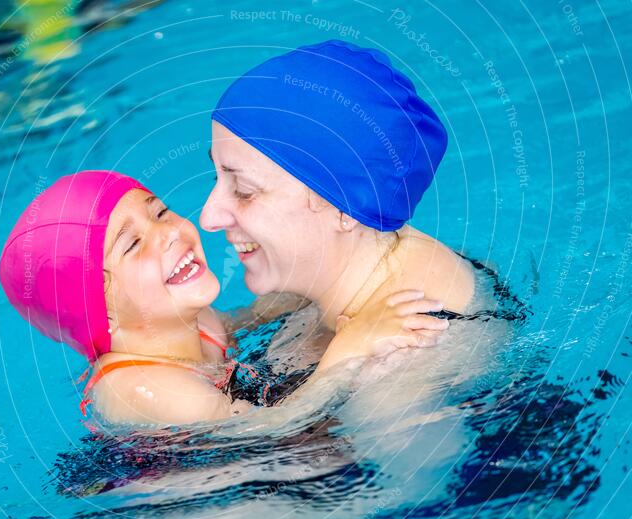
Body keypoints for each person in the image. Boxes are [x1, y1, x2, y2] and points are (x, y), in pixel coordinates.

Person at [0, 171, 448, 426]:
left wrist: (328, 289)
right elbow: (271, 430)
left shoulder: (196, 320)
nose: (171, 232)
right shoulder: (142, 388)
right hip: (197, 478)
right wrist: (349, 348)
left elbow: (252, 318)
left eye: (159, 212)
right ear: (101, 311)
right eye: (133, 245)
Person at [201, 40, 475, 363]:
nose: (208, 217)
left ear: (346, 207)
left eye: (244, 190)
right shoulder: (329, 275)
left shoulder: (401, 356)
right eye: (216, 177)